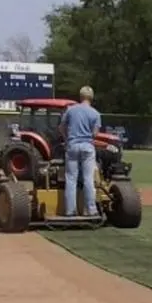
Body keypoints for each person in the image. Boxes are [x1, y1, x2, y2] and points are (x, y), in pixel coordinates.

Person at [59, 85, 101, 218]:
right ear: (91, 97)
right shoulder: (95, 113)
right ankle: (91, 210)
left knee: (71, 179)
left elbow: (61, 127)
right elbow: (95, 133)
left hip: (72, 145)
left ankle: (70, 210)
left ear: (80, 96)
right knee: (88, 179)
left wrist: (67, 139)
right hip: (87, 146)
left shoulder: (70, 110)